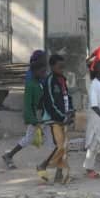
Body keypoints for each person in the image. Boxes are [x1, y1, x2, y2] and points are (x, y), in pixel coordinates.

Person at [1, 53, 53, 169]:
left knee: (44, 139)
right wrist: (32, 119)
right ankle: (9, 155)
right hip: (37, 117)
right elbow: (28, 105)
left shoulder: (40, 82)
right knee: (39, 139)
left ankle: (9, 155)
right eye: (42, 72)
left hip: (43, 116)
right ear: (35, 72)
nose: (44, 74)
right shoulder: (31, 85)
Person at [38, 54, 75, 183]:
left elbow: (67, 96)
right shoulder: (49, 80)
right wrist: (61, 116)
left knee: (63, 146)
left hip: (64, 117)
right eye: (60, 67)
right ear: (52, 66)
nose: (62, 69)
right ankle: (43, 165)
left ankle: (59, 174)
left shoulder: (62, 80)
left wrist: (71, 111)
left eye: (63, 67)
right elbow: (49, 103)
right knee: (60, 147)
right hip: (54, 119)